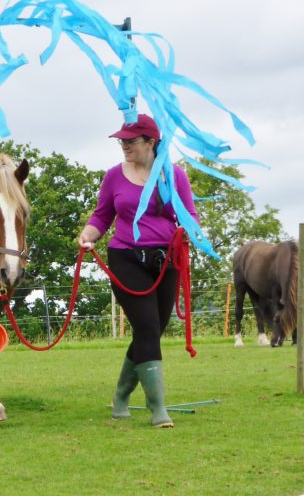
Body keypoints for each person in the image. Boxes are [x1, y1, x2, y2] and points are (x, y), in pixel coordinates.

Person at [77, 113, 199, 428]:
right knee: (146, 326)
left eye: (130, 141)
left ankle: (120, 396)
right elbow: (102, 216)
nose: (123, 146)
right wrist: (88, 235)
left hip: (167, 259)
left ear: (150, 142)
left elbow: (190, 215)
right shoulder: (114, 177)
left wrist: (188, 231)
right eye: (122, 141)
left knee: (153, 330)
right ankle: (158, 408)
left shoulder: (175, 176)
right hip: (125, 258)